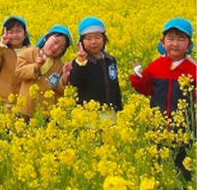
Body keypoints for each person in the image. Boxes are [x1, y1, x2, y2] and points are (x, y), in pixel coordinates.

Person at [130, 18, 196, 181]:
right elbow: (145, 89)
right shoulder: (156, 66)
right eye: (171, 39)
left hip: (184, 130)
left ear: (189, 45)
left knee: (183, 168)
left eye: (181, 39)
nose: (175, 44)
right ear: (163, 42)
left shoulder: (192, 68)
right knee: (158, 167)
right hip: (157, 128)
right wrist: (137, 76)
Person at [16, 25, 72, 119]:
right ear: (46, 39)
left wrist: (65, 76)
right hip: (25, 108)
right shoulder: (29, 53)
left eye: (61, 48)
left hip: (45, 113)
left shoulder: (59, 66)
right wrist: (36, 66)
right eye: (55, 42)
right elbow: (19, 72)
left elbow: (60, 90)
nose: (56, 47)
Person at [69, 17, 122, 111]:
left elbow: (116, 87)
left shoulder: (110, 60)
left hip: (110, 112)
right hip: (88, 114)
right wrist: (81, 62)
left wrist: (120, 110)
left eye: (98, 37)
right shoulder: (79, 62)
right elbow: (75, 83)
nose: (93, 42)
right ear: (81, 42)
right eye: (88, 38)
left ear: (104, 39)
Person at [0, 15, 31, 102]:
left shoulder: (32, 51)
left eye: (18, 31)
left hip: (25, 98)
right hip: (6, 98)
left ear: (25, 34)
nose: (15, 35)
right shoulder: (3, 50)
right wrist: (2, 43)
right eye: (10, 32)